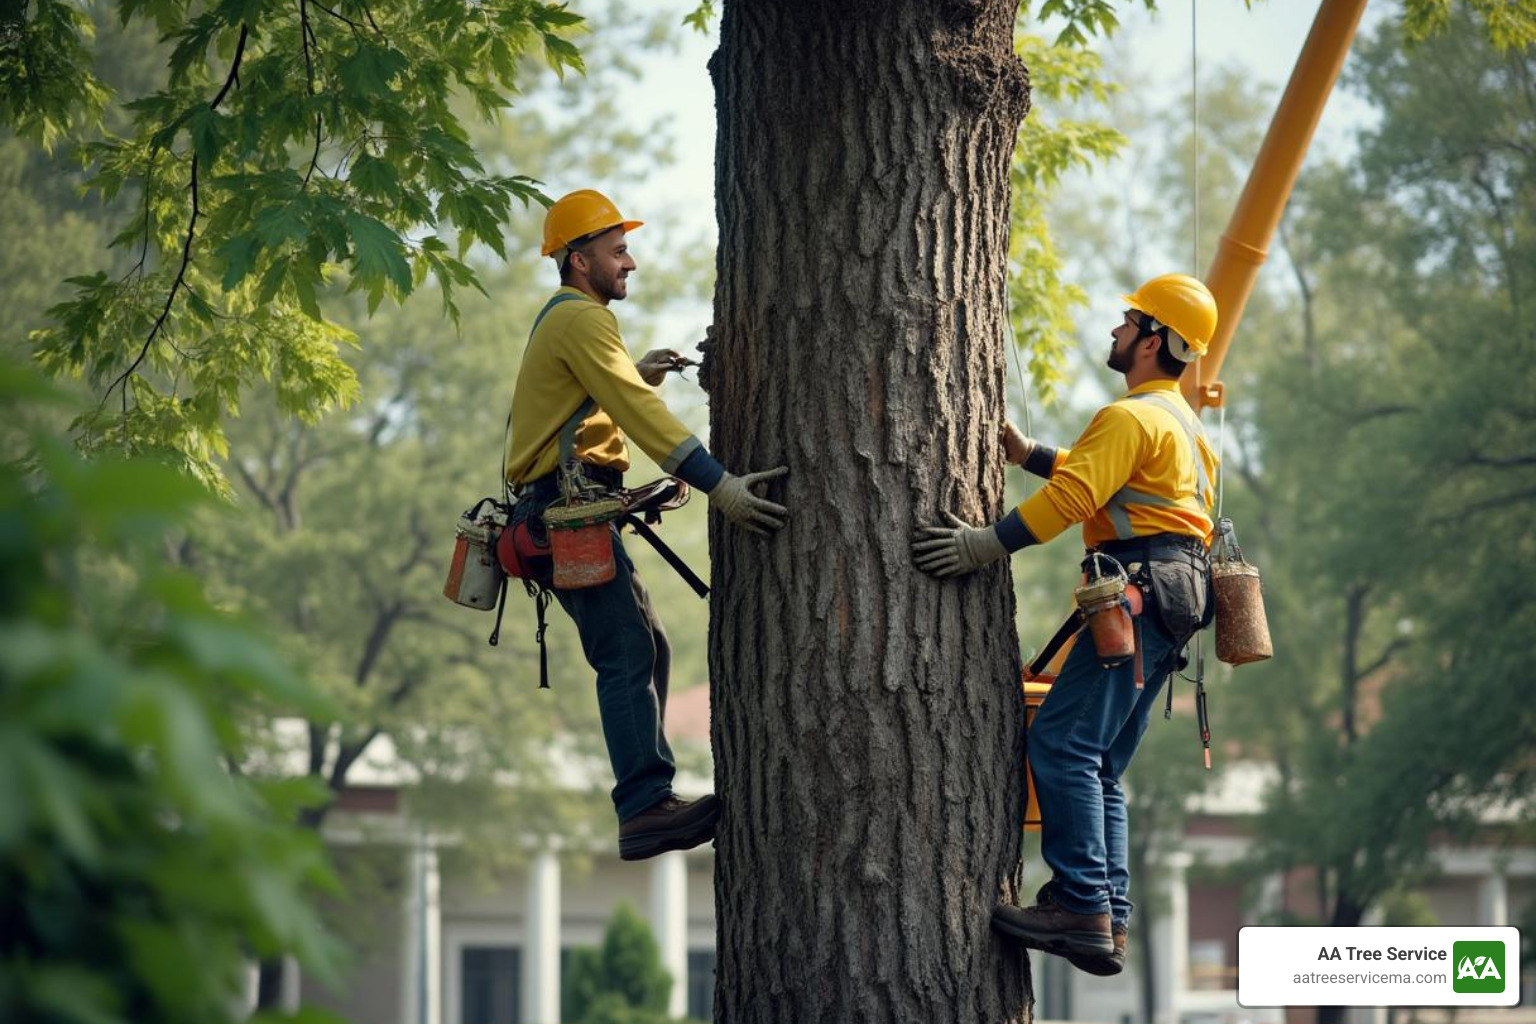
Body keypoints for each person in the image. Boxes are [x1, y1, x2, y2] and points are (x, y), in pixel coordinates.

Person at [912, 274, 1220, 975]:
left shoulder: (1129, 417)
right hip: (1174, 598)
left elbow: (1075, 498)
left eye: (1128, 322)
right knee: (1101, 763)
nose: (1116, 330)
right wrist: (1030, 456)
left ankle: (1082, 905)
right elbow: (1110, 483)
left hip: (1141, 592)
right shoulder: (1184, 426)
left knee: (1063, 743)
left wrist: (984, 544)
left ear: (1155, 340)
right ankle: (1106, 913)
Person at [506, 189, 788, 861]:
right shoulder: (581, 319)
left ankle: (647, 800)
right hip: (565, 511)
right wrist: (719, 484)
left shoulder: (573, 319)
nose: (629, 262)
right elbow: (636, 412)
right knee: (627, 652)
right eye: (618, 251)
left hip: (570, 509)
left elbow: (598, 398)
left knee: (646, 644)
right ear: (579, 260)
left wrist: (636, 373)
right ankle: (643, 806)